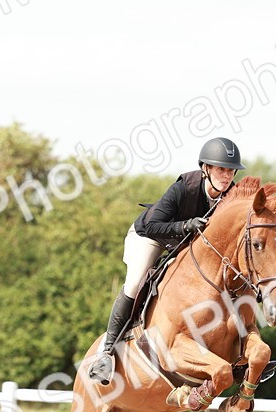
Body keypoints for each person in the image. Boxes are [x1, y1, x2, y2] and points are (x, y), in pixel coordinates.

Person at [87, 137, 245, 384]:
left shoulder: (230, 196)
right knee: (135, 281)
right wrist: (185, 225)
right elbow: (152, 225)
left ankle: (241, 353)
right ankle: (106, 354)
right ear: (206, 169)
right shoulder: (184, 188)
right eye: (221, 169)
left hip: (184, 242)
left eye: (231, 170)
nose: (227, 176)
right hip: (150, 236)